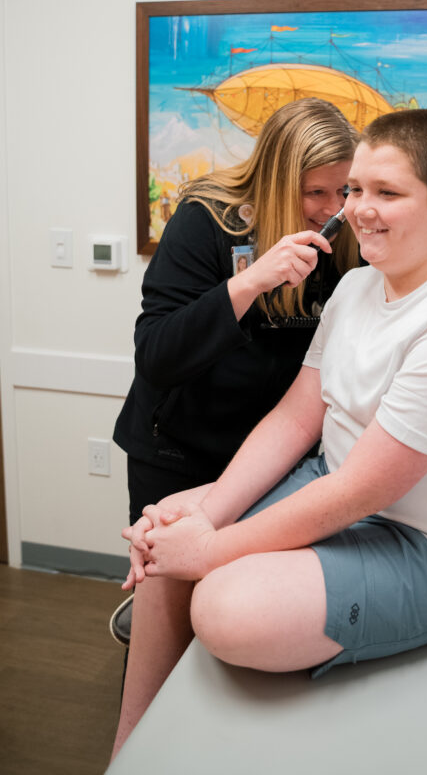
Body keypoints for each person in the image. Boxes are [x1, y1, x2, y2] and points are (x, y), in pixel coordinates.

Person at [111, 109, 427, 760]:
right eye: (354, 190)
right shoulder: (358, 286)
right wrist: (203, 516)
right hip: (341, 491)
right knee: (172, 521)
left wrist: (211, 550)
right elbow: (294, 418)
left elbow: (362, 489)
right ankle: (128, 752)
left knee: (224, 605)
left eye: (384, 193)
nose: (357, 210)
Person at [110, 98, 359, 642]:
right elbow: (156, 354)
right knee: (167, 624)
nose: (330, 207)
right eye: (314, 192)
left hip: (269, 458)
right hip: (177, 449)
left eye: (344, 190)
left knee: (232, 611)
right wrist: (247, 285)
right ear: (275, 178)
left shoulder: (346, 236)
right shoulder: (206, 219)